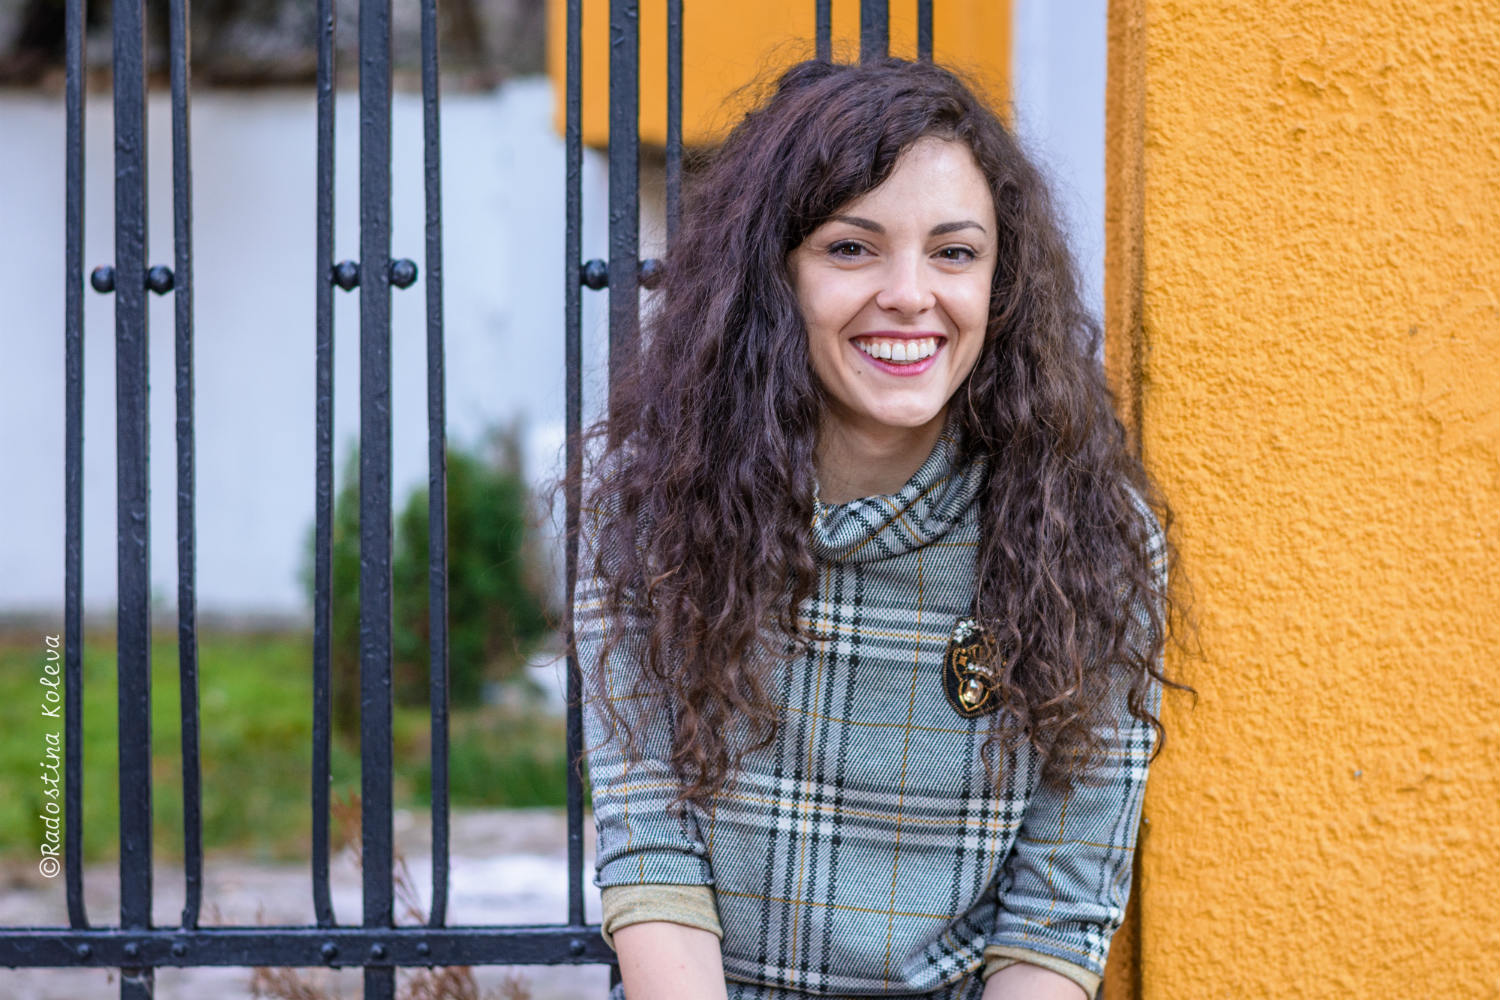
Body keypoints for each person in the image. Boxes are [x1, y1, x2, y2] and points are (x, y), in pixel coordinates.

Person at [574, 56, 1177, 1000]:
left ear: (1002, 283)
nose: (909, 293)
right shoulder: (651, 508)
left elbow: (1056, 920)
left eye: (954, 253)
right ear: (774, 276)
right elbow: (653, 860)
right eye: (852, 248)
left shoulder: (1087, 537)